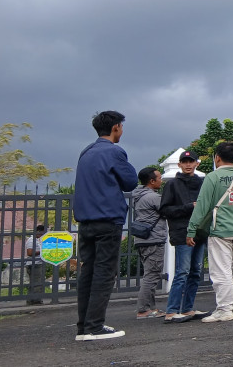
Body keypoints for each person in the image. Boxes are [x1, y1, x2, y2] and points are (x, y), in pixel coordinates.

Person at [73, 110, 138, 341]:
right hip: (108, 219)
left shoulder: (86, 151)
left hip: (86, 220)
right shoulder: (114, 151)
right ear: (116, 128)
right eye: (121, 126)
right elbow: (130, 181)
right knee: (104, 273)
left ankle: (83, 327)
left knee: (87, 273)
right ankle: (95, 326)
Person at [186, 142, 233, 322]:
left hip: (220, 230)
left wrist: (191, 229)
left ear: (217, 157)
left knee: (221, 271)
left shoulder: (212, 177)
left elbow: (202, 206)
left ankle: (225, 309)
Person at [159, 149, 210, 323]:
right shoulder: (172, 185)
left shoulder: (203, 183)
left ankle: (187, 308)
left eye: (191, 161)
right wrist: (189, 207)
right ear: (179, 164)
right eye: (185, 162)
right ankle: (171, 311)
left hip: (200, 232)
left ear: (197, 163)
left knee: (196, 272)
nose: (188, 165)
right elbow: (165, 210)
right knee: (182, 271)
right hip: (182, 233)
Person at [131, 167, 167, 319]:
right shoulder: (153, 197)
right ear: (152, 181)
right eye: (159, 178)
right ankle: (144, 309)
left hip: (142, 240)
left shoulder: (139, 196)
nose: (161, 180)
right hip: (153, 239)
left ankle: (151, 308)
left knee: (150, 274)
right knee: (152, 275)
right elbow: (168, 210)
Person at [24, 224, 46, 306]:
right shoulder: (31, 240)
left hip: (37, 263)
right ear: (39, 231)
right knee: (36, 283)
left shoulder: (36, 240)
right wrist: (43, 251)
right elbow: (29, 253)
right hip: (34, 264)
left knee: (36, 283)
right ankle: (35, 301)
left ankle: (32, 300)